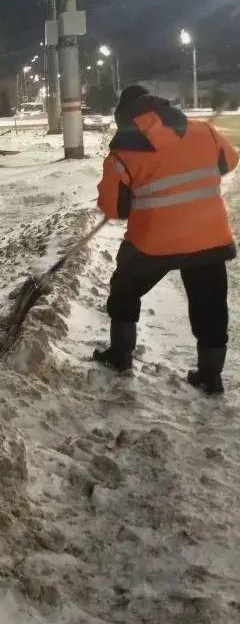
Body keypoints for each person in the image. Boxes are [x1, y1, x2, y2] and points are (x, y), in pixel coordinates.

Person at [94, 84, 238, 395]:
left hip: (152, 244)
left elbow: (115, 208)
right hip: (207, 238)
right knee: (211, 306)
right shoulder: (205, 131)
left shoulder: (124, 150)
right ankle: (210, 376)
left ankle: (120, 356)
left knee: (124, 289)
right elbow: (230, 162)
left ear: (125, 116)